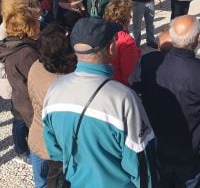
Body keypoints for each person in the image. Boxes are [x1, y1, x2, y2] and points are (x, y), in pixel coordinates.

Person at [42, 17, 154, 187]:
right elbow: (141, 163)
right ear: (110, 48)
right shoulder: (124, 98)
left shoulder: (54, 89)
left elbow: (54, 150)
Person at [142, 15, 200, 188]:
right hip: (189, 151)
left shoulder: (148, 61)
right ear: (197, 39)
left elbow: (135, 85)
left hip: (156, 144)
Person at [28, 24, 77, 188]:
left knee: (43, 177)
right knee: (56, 179)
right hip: (55, 145)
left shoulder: (35, 66)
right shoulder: (62, 84)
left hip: (36, 132)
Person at [0, 7, 41, 170]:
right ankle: (29, 155)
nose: (40, 24)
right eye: (37, 22)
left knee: (19, 122)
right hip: (29, 101)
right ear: (28, 27)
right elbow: (36, 79)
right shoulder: (26, 53)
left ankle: (23, 150)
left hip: (19, 96)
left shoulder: (12, 46)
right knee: (35, 135)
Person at [104, 0, 141, 86]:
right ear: (125, 17)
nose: (131, 17)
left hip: (103, 81)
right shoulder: (127, 41)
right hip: (119, 86)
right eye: (129, 14)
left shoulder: (100, 30)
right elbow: (129, 73)